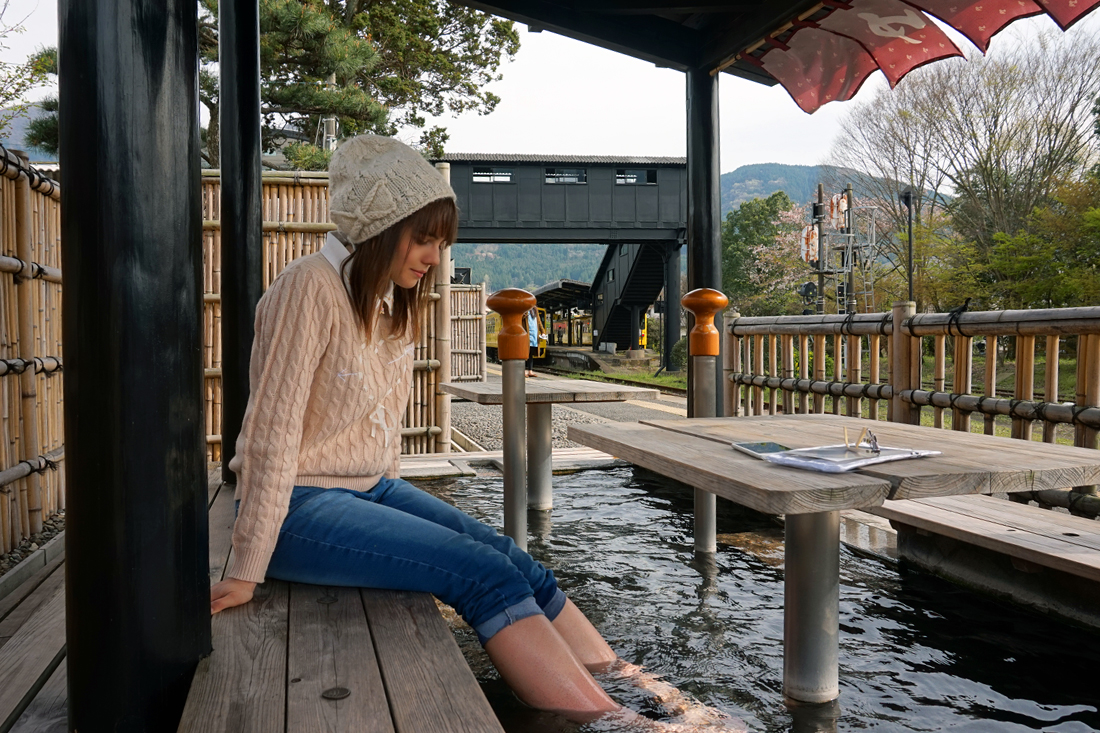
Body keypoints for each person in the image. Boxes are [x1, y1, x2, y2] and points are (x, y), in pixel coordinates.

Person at [209, 135, 740, 731]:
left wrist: (397, 515)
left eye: (441, 242)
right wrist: (246, 566)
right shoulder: (309, 286)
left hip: (362, 492)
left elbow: (375, 431)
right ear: (381, 227)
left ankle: (640, 686)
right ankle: (616, 723)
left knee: (514, 559)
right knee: (480, 574)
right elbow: (270, 433)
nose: (434, 257)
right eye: (423, 238)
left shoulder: (385, 301)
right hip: (295, 509)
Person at [526, 306, 539, 377]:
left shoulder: (535, 310)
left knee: (530, 354)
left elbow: (538, 322)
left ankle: (530, 371)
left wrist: (542, 332)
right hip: (526, 335)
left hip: (534, 335)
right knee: (524, 354)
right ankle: (523, 371)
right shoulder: (524, 311)